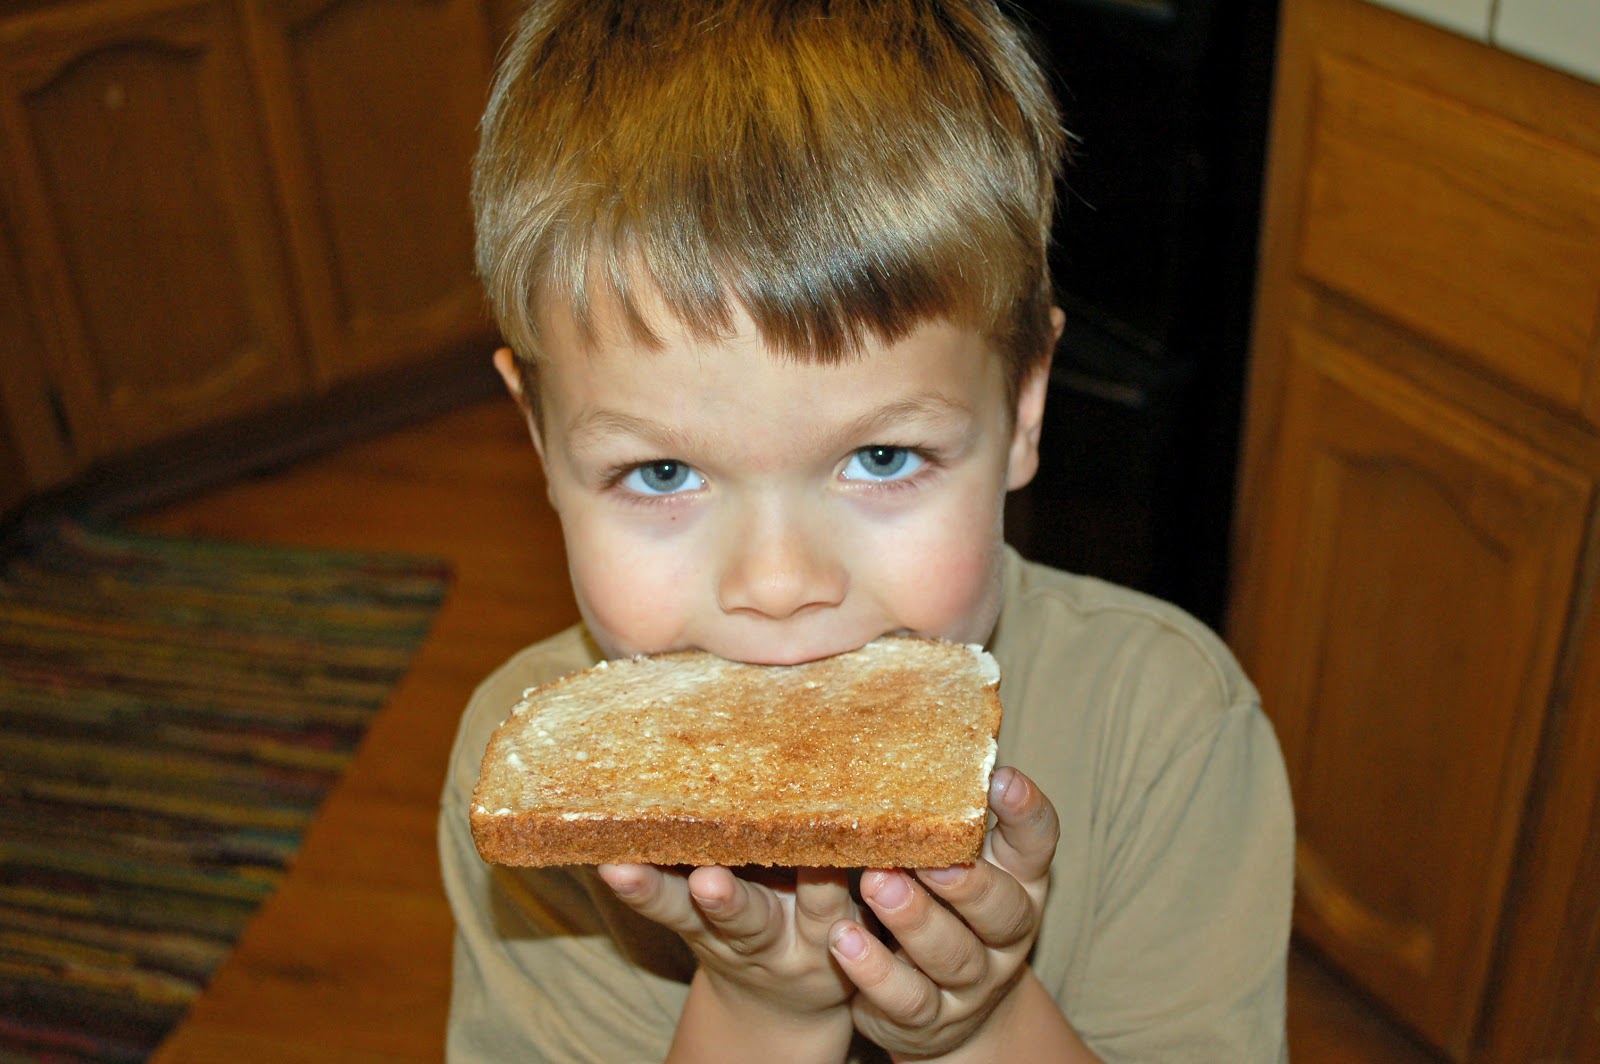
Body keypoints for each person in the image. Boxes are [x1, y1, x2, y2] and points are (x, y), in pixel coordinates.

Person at [438, 0, 1294, 1060]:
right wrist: (761, 1010)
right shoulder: (534, 796)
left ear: (1023, 409)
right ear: (539, 438)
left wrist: (977, 1017)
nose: (780, 582)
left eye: (881, 457)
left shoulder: (1166, 731)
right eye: (661, 471)